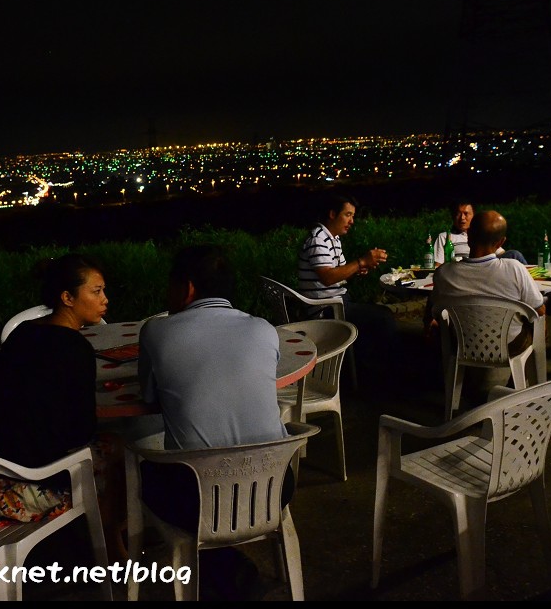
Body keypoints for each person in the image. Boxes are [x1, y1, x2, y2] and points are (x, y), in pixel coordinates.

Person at [138, 244, 287, 599]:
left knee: (145, 470)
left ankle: (216, 570)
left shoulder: (156, 332)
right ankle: (229, 569)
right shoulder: (265, 329)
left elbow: (149, 400)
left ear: (188, 288)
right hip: (274, 487)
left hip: (196, 501)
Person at [0, 253, 125, 556]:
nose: (105, 299)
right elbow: (81, 432)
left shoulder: (23, 334)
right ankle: (108, 544)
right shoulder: (74, 348)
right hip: (21, 492)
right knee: (117, 451)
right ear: (67, 297)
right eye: (96, 292)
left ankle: (98, 536)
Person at [428, 211, 545, 386]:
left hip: (463, 343)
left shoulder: (443, 273)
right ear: (501, 242)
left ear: (468, 236)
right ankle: (526, 385)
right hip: (508, 345)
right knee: (537, 319)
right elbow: (540, 310)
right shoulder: (514, 268)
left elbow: (436, 310)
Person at [297, 193, 400, 378]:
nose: (352, 221)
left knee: (375, 316)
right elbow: (328, 277)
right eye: (348, 215)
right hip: (324, 308)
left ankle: (362, 369)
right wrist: (360, 262)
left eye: (353, 215)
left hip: (336, 302)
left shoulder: (333, 239)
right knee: (384, 317)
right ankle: (383, 373)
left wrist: (358, 269)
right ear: (332, 214)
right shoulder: (318, 239)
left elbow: (338, 274)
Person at [432, 200, 528, 265]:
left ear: (474, 216)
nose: (462, 218)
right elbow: (438, 264)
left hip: (488, 264)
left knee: (514, 254)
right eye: (458, 214)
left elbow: (501, 252)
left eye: (466, 214)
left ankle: (530, 280)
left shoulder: (480, 233)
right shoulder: (445, 237)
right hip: (463, 267)